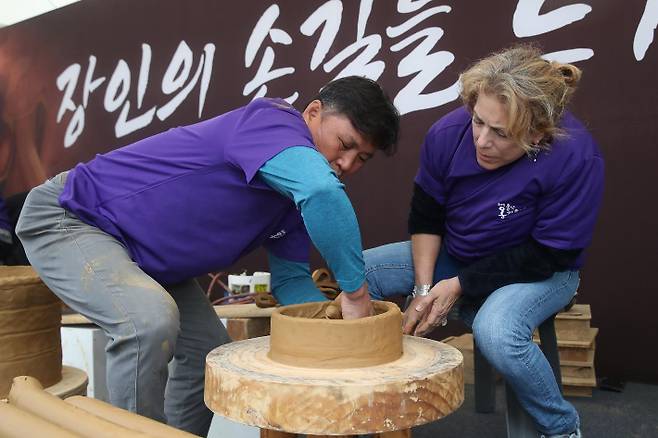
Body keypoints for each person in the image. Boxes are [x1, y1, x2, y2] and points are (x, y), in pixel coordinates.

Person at [16, 76, 400, 435]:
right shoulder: (272, 122)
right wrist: (355, 295)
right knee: (147, 323)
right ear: (313, 113)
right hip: (74, 216)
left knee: (209, 357)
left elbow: (292, 282)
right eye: (345, 144)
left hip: (148, 259)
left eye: (362, 158)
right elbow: (323, 192)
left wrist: (336, 332)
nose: (347, 164)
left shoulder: (291, 200)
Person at [363, 45, 603, 438]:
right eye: (478, 122)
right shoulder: (448, 133)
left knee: (497, 332)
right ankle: (360, 407)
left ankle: (560, 427)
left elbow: (547, 255)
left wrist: (460, 287)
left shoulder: (576, 156)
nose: (482, 141)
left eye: (502, 133)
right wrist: (425, 289)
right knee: (362, 271)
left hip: (541, 271)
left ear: (538, 133)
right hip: (458, 255)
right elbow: (427, 216)